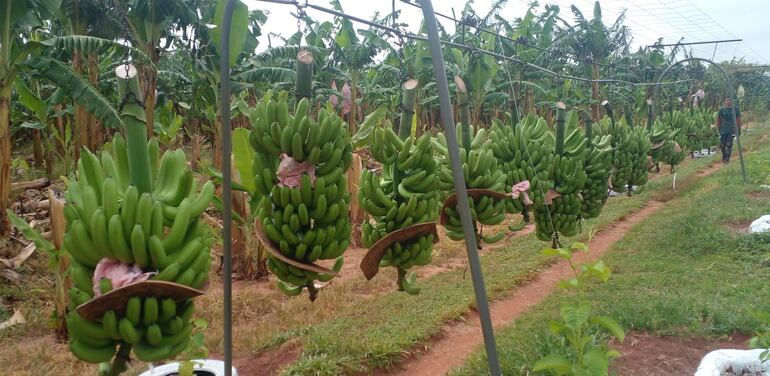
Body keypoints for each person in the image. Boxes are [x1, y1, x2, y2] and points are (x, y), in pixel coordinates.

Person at [716, 97, 742, 163]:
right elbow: (719, 120)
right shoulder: (722, 110)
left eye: (730, 100)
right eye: (727, 100)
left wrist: (738, 129)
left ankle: (727, 158)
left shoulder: (736, 110)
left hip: (732, 128)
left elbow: (738, 120)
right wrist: (719, 128)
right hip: (723, 129)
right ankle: (724, 155)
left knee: (729, 144)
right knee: (722, 145)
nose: (728, 102)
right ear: (725, 101)